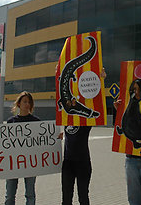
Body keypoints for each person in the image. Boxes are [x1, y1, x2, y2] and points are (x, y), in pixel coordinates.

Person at [0, 91, 40, 205]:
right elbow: (2, 141)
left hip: (30, 163)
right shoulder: (11, 122)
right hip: (12, 164)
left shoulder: (36, 122)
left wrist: (56, 137)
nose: (27, 104)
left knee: (30, 195)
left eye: (29, 102)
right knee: (9, 196)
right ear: (18, 104)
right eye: (24, 102)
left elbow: (43, 140)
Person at [58, 68, 106, 205]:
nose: (71, 102)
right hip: (67, 163)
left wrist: (101, 80)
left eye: (74, 101)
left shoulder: (85, 121)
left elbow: (97, 104)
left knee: (83, 197)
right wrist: (58, 75)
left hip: (83, 162)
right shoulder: (66, 118)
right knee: (66, 198)